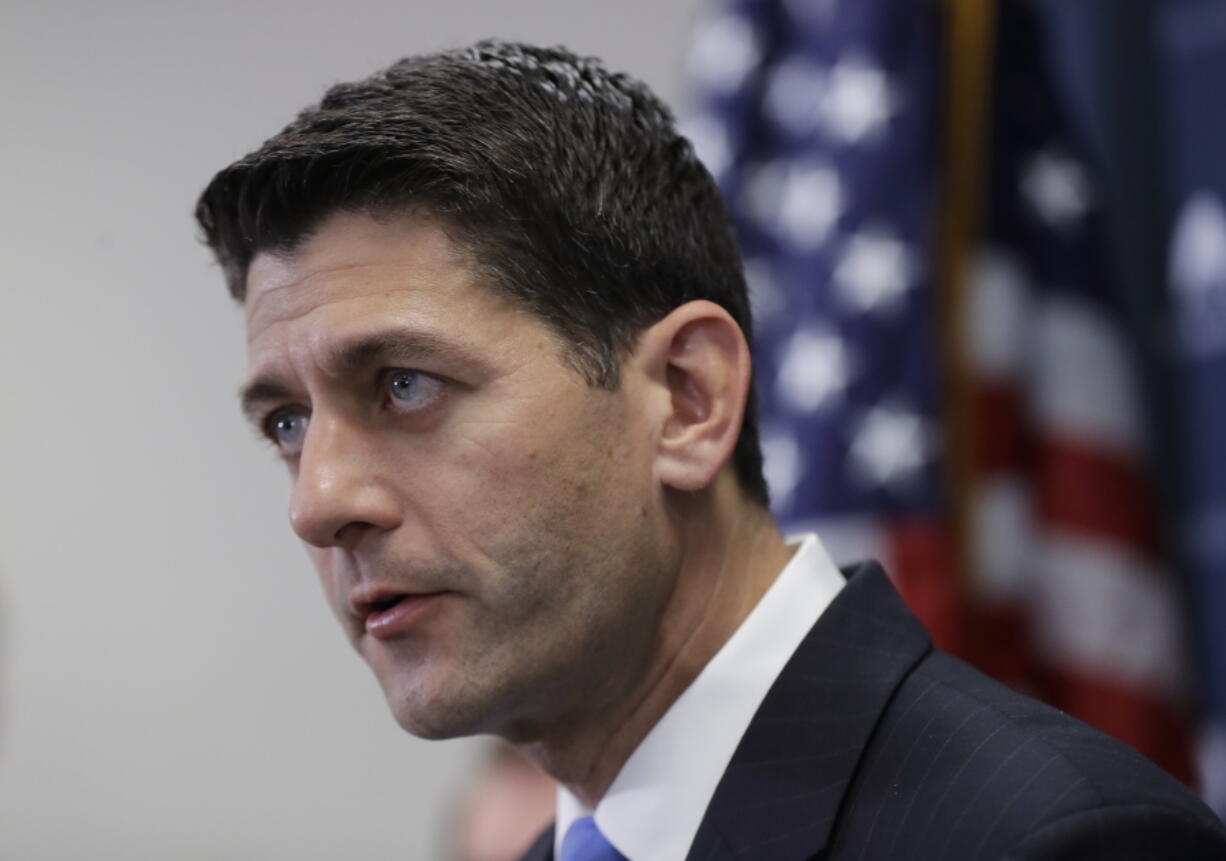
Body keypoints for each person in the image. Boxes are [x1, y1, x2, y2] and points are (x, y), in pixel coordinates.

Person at [195, 40, 1226, 860]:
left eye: (404, 385)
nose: (317, 502)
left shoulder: (1046, 838)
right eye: (286, 422)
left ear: (686, 399)